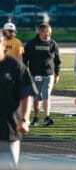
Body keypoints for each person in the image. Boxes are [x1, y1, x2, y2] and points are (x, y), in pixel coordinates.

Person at [0, 35, 37, 169]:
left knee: (9, 166)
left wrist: (25, 119)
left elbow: (27, 94)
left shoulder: (15, 66)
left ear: (3, 44)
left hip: (9, 128)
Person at [23, 23, 61, 127]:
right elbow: (24, 59)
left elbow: (57, 61)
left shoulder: (53, 44)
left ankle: (46, 117)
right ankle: (35, 117)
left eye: (49, 33)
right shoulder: (31, 44)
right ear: (40, 32)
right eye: (45, 32)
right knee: (36, 98)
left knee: (46, 95)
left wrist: (57, 74)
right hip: (35, 75)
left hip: (49, 75)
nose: (48, 35)